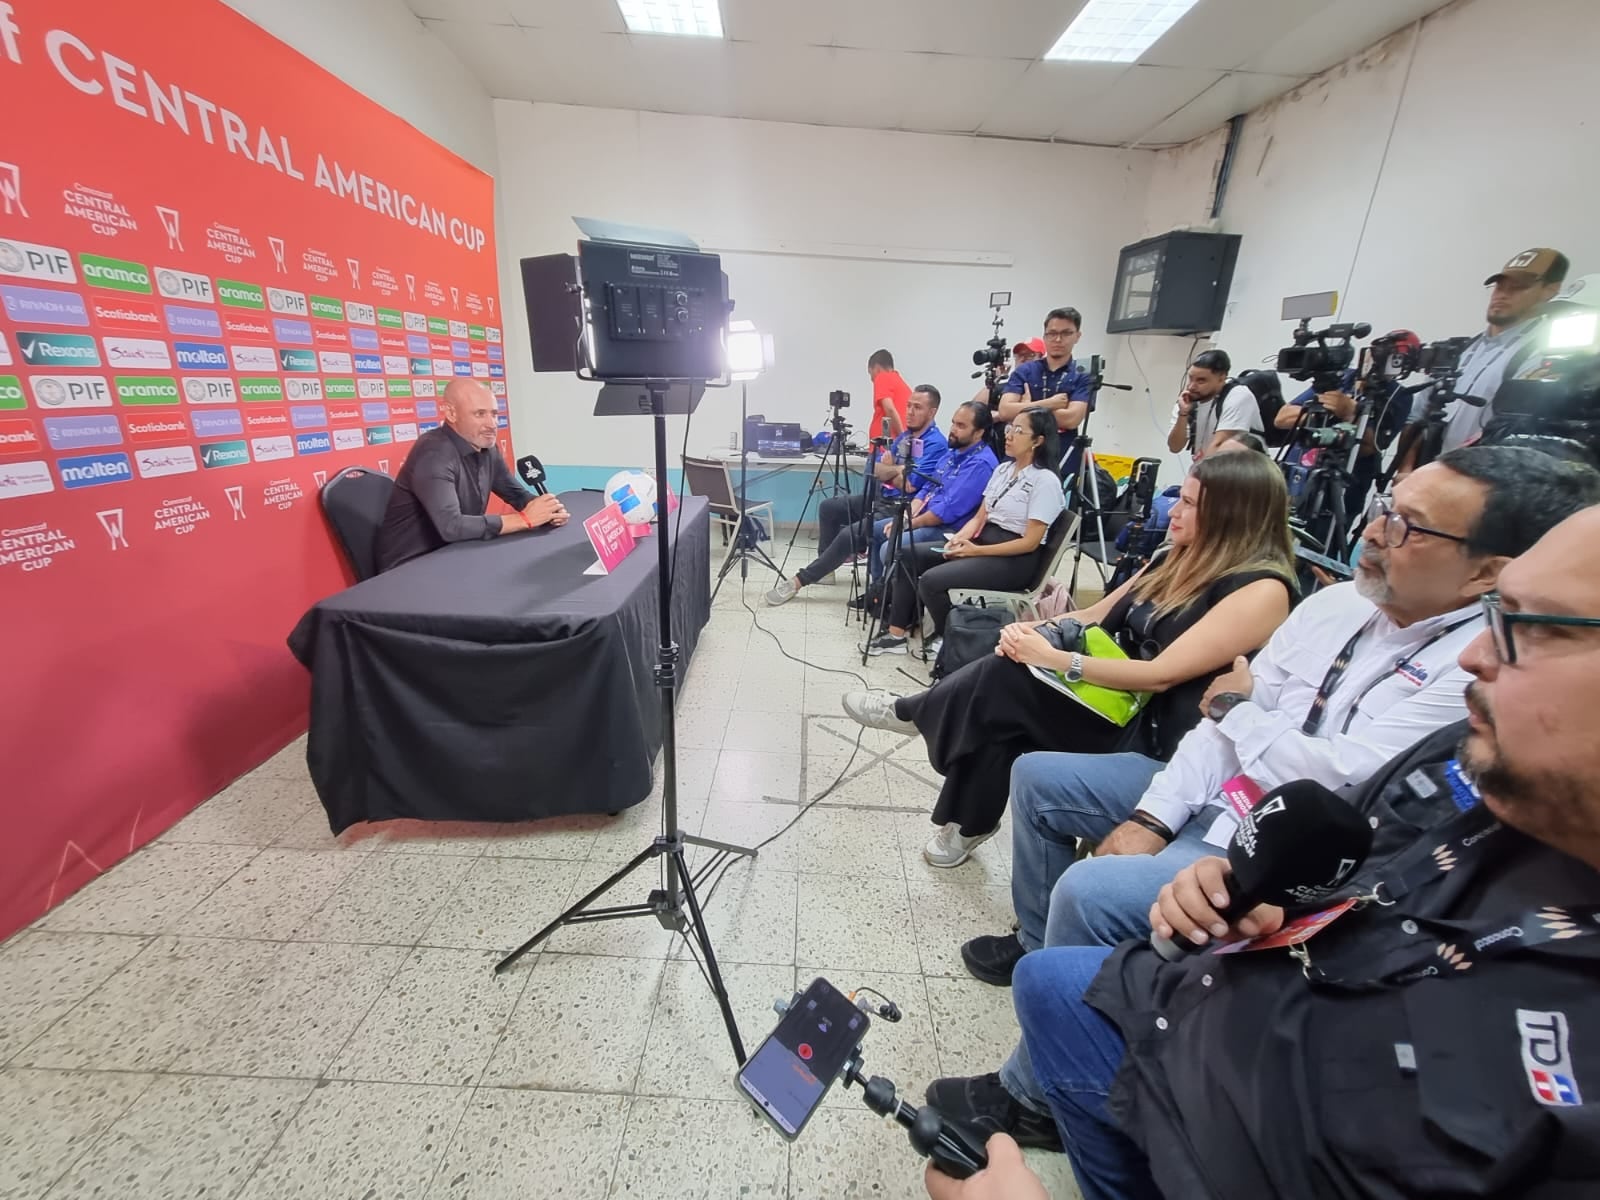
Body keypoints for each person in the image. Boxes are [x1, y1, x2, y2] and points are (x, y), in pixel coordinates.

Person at [927, 446, 1600, 1148]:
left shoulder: (1471, 669)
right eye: (1384, 508)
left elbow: (1338, 772)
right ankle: (1041, 948)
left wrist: (1244, 715)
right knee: (1038, 776)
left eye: (1408, 525)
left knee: (1091, 889)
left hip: (1280, 840)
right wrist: (1153, 816)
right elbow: (1214, 735)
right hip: (1212, 783)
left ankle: (1031, 1099)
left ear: (1490, 571)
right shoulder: (1338, 604)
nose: (1372, 531)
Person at [842, 451, 1297, 869]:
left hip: (1149, 736)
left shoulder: (1261, 591)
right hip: (1109, 700)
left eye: (1191, 504)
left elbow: (1161, 676)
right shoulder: (1175, 556)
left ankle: (917, 717)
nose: (1173, 511)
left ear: (1233, 514)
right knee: (1001, 690)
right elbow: (1095, 613)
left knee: (1004, 686)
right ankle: (965, 813)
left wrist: (1057, 660)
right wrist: (1030, 634)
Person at [863, 409, 1063, 657]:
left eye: (1019, 431)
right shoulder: (1003, 470)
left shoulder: (1045, 481)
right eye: (1010, 428)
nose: (1009, 435)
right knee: (906, 552)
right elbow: (981, 517)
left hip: (1015, 559)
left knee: (931, 581)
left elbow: (1030, 543)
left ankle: (952, 638)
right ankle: (896, 635)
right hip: (983, 543)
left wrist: (976, 550)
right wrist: (960, 540)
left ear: (1038, 440)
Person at [1394, 247, 1570, 475]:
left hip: (1484, 484)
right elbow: (1417, 416)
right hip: (1427, 476)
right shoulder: (1461, 349)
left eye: (1518, 287)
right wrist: (1405, 470)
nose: (1502, 295)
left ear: (1550, 290)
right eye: (1499, 286)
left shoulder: (1544, 355)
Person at [767, 385, 948, 605]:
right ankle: (825, 570)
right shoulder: (904, 436)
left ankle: (799, 580)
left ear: (932, 412)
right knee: (829, 508)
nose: (909, 411)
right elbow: (874, 468)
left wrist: (891, 472)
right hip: (879, 498)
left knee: (849, 535)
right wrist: (895, 471)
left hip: (901, 507)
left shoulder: (936, 444)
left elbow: (909, 484)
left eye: (917, 407)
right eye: (909, 405)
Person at [373, 379, 567, 572]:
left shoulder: (487, 448)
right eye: (480, 414)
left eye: (494, 414)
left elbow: (515, 494)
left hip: (457, 552)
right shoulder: (433, 454)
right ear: (451, 413)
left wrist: (546, 510)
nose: (491, 424)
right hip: (409, 567)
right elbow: (451, 526)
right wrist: (524, 520)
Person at [1274, 331, 1418, 524]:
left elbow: (1371, 446)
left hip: (1343, 485)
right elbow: (1282, 417)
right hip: (1298, 474)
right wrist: (1326, 413)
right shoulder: (1340, 378)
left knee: (1324, 539)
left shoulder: (1400, 396)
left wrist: (1351, 414)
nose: (1375, 359)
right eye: (1375, 351)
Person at [858, 399, 998, 593]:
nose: (953, 429)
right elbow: (927, 488)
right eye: (953, 422)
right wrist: (909, 514)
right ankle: (877, 593)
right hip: (924, 516)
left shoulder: (980, 464)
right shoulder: (951, 454)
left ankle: (892, 602)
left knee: (890, 547)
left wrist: (909, 523)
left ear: (979, 433)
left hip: (946, 529)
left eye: (961, 426)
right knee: (875, 530)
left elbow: (946, 511)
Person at [995, 309, 1094, 479]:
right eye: (1052, 333)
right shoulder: (1026, 371)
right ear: (1045, 336)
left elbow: (1071, 419)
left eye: (1066, 333)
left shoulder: (1082, 375)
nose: (1057, 339)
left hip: (1061, 456)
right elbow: (1004, 411)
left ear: (1077, 336)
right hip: (1019, 453)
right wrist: (1050, 403)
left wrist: (1027, 406)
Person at [1166, 350, 1262, 460]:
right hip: (1211, 469)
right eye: (1191, 378)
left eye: (1201, 381)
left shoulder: (1238, 395)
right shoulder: (1187, 401)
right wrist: (1183, 414)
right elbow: (1175, 447)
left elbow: (1219, 445)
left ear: (1221, 378)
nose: (1192, 386)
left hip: (1246, 471)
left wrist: (1197, 474)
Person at [870, 348, 914, 437]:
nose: (871, 379)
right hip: (897, 442)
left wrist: (902, 437)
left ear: (877, 368)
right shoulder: (900, 382)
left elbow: (889, 409)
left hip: (886, 444)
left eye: (870, 373)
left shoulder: (882, 377)